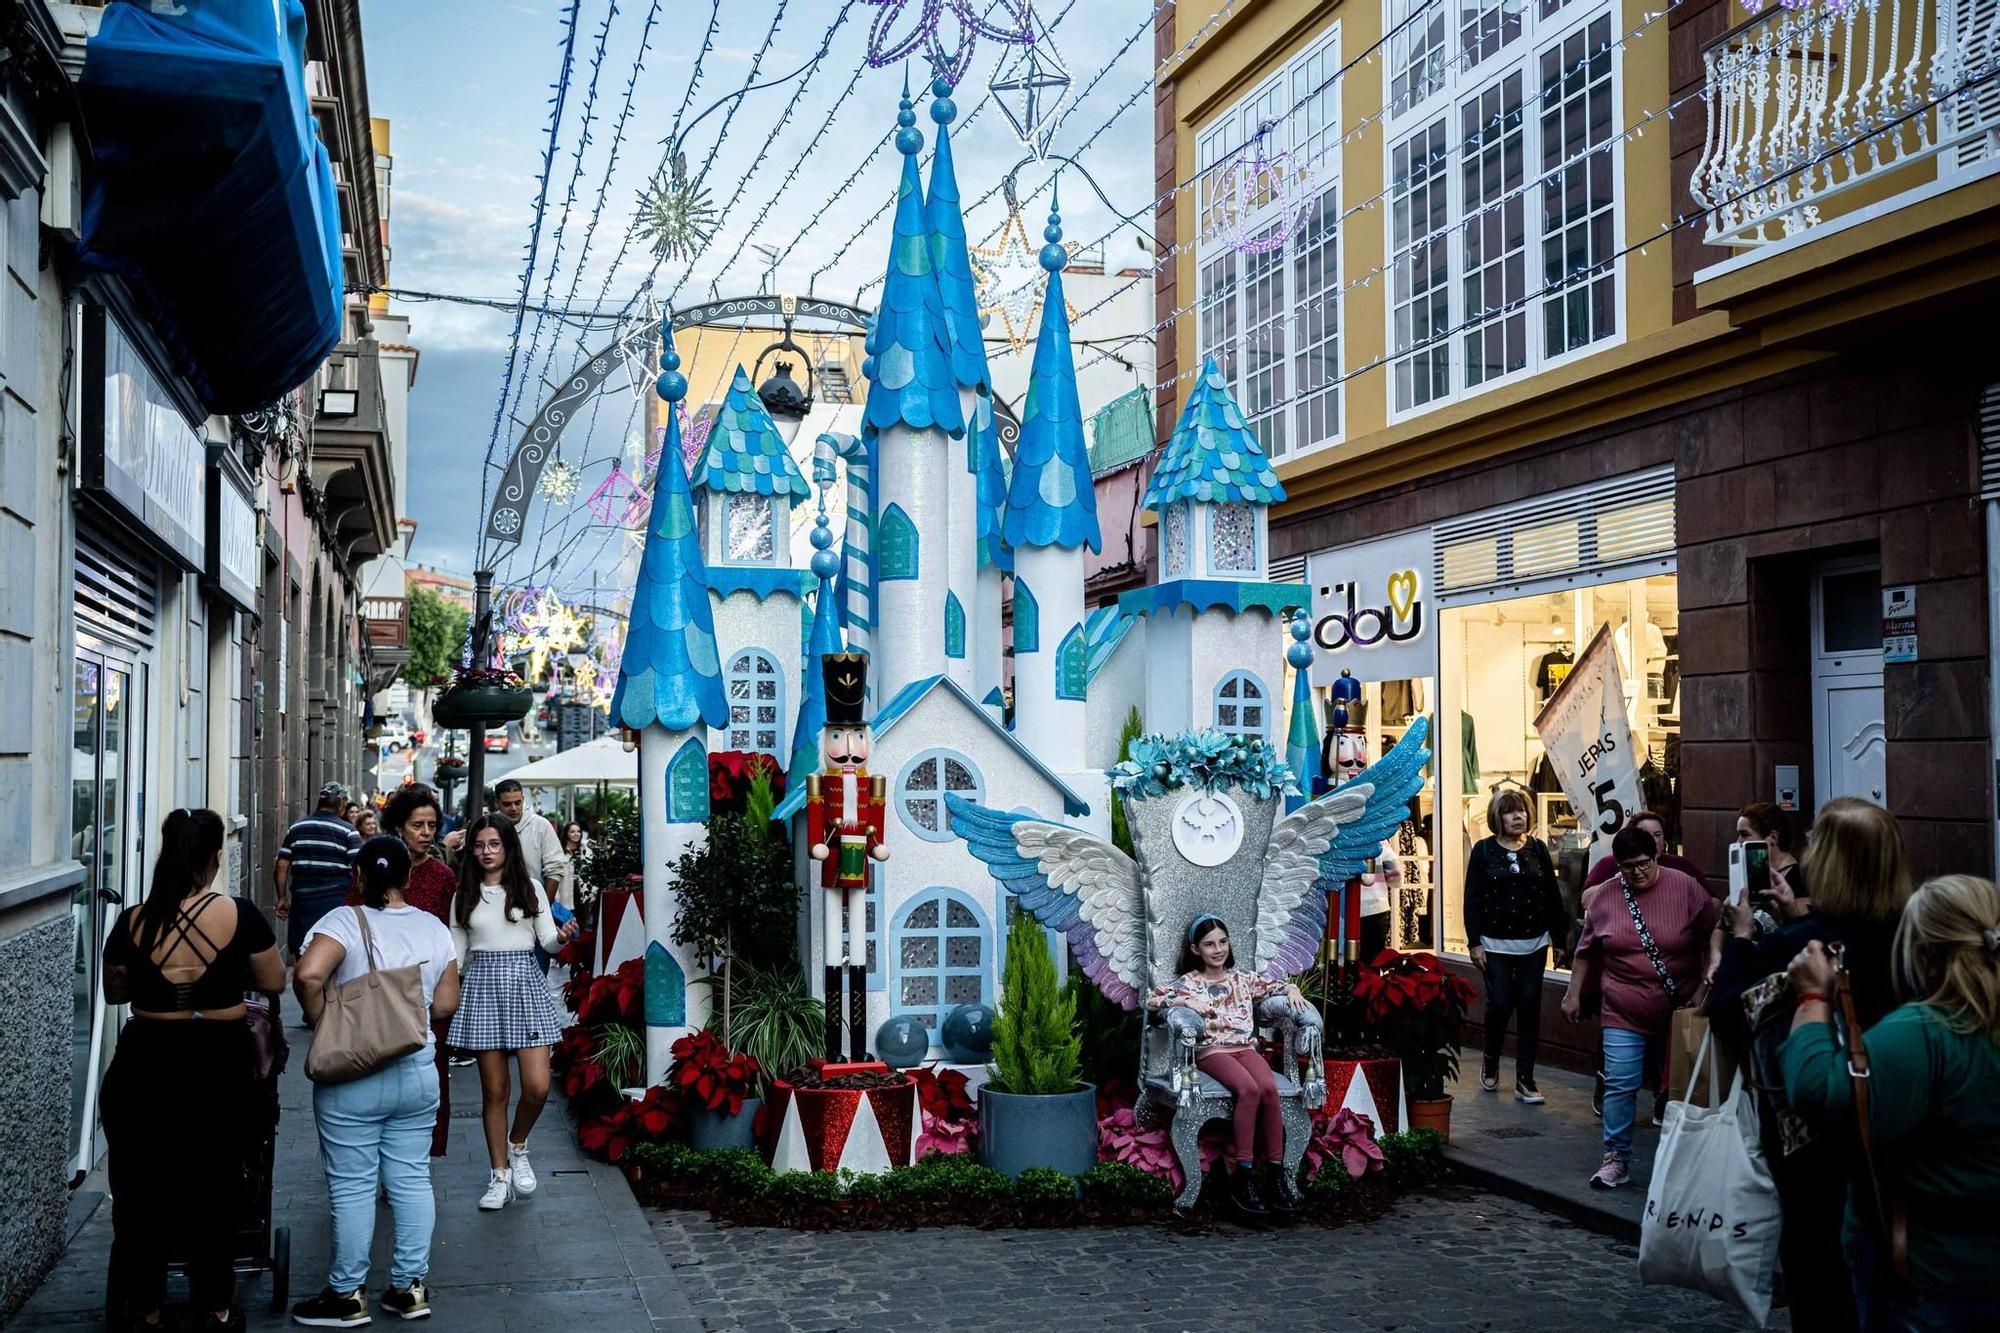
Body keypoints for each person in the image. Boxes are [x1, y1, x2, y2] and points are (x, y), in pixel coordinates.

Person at [1707, 796, 1910, 1332]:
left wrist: (1745, 937)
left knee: (1820, 1276)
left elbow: (1730, 1013)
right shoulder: (1913, 940)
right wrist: (1800, 909)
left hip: (1813, 1139)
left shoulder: (1806, 947)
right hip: (1897, 1135)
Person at [1782, 876, 2000, 1330]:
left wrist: (1811, 999)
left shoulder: (1925, 1033)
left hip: (1932, 1273)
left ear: (1924, 950)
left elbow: (1817, 1092)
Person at [100, 808, 285, 1332]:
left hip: (145, 1060)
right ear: (213, 858)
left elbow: (116, 991)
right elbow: (273, 980)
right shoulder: (240, 914)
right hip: (217, 1062)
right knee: (216, 1187)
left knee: (140, 1192)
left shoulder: (133, 919)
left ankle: (147, 1309)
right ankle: (216, 1307)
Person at [290, 837, 461, 1328]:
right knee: (411, 1178)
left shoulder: (343, 920)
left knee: (352, 1187)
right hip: (417, 1068)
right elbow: (446, 1005)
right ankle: (409, 1289)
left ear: (359, 877)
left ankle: (346, 1295)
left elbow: (307, 974)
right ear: (408, 878)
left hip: (352, 1073)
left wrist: (323, 1020)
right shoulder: (433, 928)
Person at [1563, 825, 1717, 1189]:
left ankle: (1687, 1164)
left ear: (1657, 856)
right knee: (1620, 1083)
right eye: (1628, 866)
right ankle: (1616, 1158)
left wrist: (1704, 984)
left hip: (1680, 1008)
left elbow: (1712, 933)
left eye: (1644, 863)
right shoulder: (1606, 896)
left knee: (1682, 1089)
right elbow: (1585, 950)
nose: (1637, 872)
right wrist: (1572, 993)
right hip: (1622, 1007)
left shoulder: (1685, 887)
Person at [448, 813, 577, 1211]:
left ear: (507, 847)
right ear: (472, 850)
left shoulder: (530, 887)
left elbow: (547, 943)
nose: (487, 852)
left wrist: (562, 937)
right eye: (480, 845)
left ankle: (517, 1144)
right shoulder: (464, 893)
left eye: (494, 844)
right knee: (494, 1091)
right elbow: (456, 954)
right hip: (483, 985)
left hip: (525, 982)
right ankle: (499, 1175)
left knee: (537, 1086)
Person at [1146, 914, 1311, 1222]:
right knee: (1248, 1089)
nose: (1217, 949)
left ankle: (1275, 1174)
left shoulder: (1241, 979)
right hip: (1213, 1052)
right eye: (1209, 944)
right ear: (1196, 950)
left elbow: (1274, 987)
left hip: (1245, 1048)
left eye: (1222, 942)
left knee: (1269, 1090)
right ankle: (1243, 1174)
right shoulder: (1190, 982)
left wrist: (1291, 991)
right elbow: (1153, 1001)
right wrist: (1186, 1005)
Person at [359, 784, 460, 1157]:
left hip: (427, 995)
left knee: (429, 1074)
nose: (427, 833)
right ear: (399, 827)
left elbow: (450, 935)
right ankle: (380, 1149)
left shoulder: (442, 876)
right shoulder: (373, 867)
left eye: (432, 825)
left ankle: (417, 1154)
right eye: (418, 825)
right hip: (377, 992)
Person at [1463, 788, 1569, 1106]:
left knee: (1528, 1006)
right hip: (1494, 944)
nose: (1517, 816)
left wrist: (1560, 940)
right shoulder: (1483, 851)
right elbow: (1472, 898)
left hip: (1534, 944)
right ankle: (1491, 1057)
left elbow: (1553, 896)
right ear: (1499, 817)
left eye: (1521, 810)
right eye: (1510, 811)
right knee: (1499, 1003)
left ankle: (1526, 1079)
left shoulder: (1537, 848)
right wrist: (1474, 943)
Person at [275, 783, 363, 959]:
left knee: (304, 954)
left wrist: (282, 898)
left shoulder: (297, 828)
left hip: (303, 904)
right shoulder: (348, 831)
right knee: (333, 956)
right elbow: (359, 868)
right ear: (340, 804)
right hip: (336, 904)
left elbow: (281, 866)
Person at [1580, 809, 1704, 893]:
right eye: (1646, 835)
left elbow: (1712, 902)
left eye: (1657, 834)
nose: (1653, 841)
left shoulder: (1680, 865)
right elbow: (1586, 899)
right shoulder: (1609, 863)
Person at [1736, 801, 1810, 910]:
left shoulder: (1799, 879)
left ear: (1773, 838)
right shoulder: (1746, 874)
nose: (1738, 842)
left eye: (1745, 835)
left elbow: (1801, 921)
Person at [554, 820, 586, 912]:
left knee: (583, 924)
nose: (576, 834)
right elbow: (556, 877)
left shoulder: (585, 851)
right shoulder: (559, 853)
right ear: (566, 834)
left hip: (583, 899)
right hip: (565, 899)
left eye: (578, 831)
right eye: (572, 832)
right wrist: (556, 899)